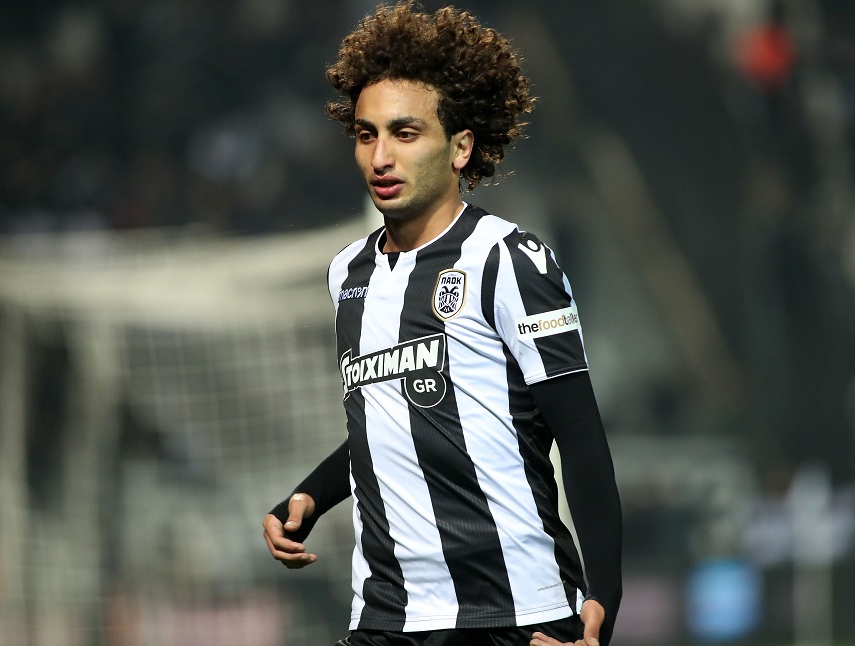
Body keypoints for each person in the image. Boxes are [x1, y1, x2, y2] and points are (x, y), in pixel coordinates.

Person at [262, 3, 622, 645]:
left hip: (512, 614)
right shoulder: (348, 274)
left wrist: (603, 599)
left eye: (405, 133)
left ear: (460, 147)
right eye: (366, 134)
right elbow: (391, 421)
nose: (381, 156)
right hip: (388, 616)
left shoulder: (508, 260)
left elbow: (581, 440)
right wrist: (311, 496)